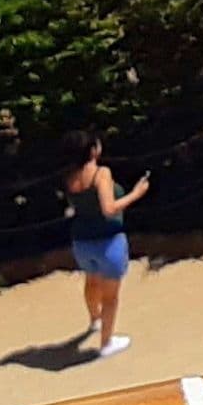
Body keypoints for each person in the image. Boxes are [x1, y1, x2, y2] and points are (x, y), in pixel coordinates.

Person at [61, 129, 150, 357]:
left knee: (91, 282)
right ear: (93, 150)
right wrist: (136, 194)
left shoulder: (69, 176)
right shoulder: (102, 173)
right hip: (108, 242)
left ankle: (95, 321)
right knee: (110, 297)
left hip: (81, 242)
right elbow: (109, 209)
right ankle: (106, 343)